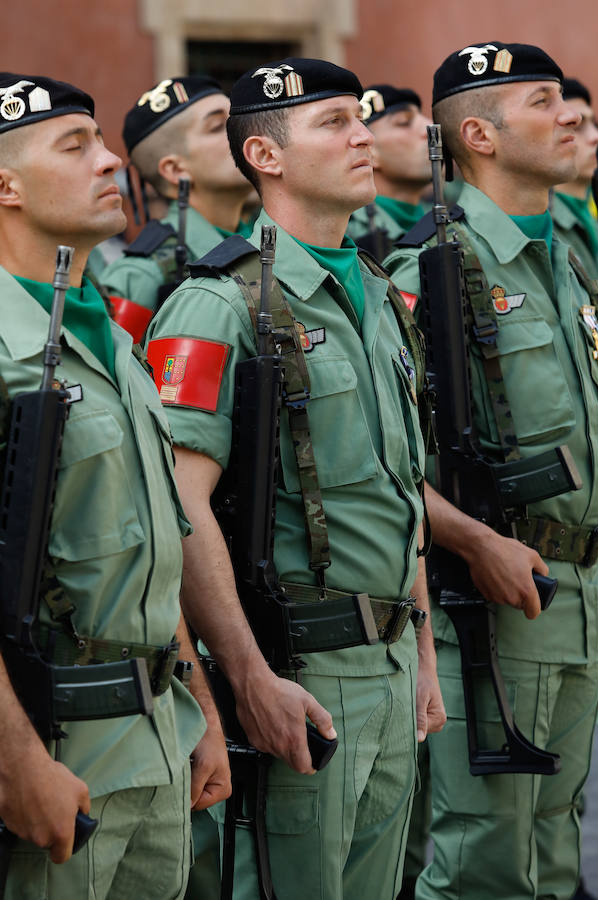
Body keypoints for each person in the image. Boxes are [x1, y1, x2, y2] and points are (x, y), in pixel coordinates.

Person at [145, 57, 446, 900]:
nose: (362, 134)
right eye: (333, 123)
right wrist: (243, 679)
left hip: (387, 668)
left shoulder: (379, 294)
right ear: (265, 157)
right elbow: (179, 507)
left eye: (361, 117)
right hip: (298, 671)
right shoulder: (221, 303)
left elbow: (397, 485)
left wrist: (421, 649)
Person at [0, 72, 229, 899]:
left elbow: (151, 549)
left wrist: (196, 711)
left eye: (102, 142)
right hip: (59, 750)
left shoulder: (109, 337)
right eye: (75, 146)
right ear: (6, 185)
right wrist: (17, 764)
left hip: (156, 736)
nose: (107, 163)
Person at [386, 42, 598, 900]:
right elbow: (384, 460)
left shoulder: (570, 256)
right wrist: (476, 541)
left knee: (554, 850)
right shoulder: (431, 267)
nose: (572, 116)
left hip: (576, 590)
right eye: (545, 103)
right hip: (495, 601)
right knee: (484, 861)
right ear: (479, 133)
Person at [100, 75, 253, 331]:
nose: (246, 131)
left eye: (238, 118)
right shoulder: (141, 277)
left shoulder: (273, 239)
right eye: (218, 126)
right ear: (175, 169)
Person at [346, 85, 431, 263]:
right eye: (403, 122)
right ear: (368, 149)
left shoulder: (444, 219)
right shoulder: (345, 231)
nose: (428, 128)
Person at [551, 77, 598, 279]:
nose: (596, 136)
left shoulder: (591, 209)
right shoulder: (543, 226)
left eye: (595, 124)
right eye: (577, 127)